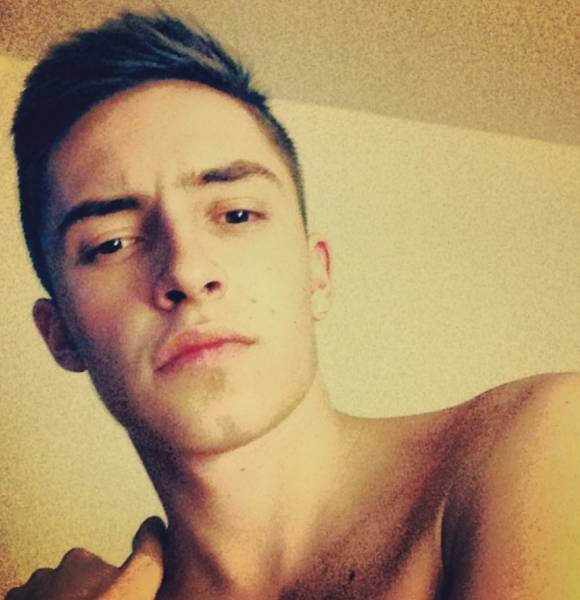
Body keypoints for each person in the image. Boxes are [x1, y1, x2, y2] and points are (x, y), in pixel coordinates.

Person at [7, 11, 580, 600]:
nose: (187, 272)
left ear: (316, 274)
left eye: (236, 215)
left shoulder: (538, 445)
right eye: (112, 244)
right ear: (60, 334)